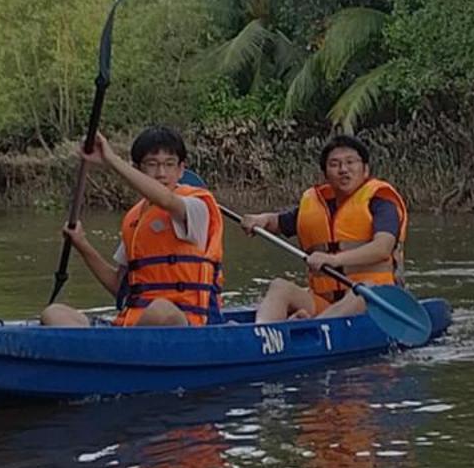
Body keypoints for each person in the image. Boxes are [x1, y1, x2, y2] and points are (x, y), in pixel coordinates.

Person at [40, 126, 224, 328]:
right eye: (152, 164)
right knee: (54, 313)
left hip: (185, 323)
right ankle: (107, 351)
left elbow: (166, 199)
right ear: (138, 169)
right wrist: (82, 244)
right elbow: (120, 286)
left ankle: (119, 350)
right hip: (133, 323)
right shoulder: (135, 218)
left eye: (169, 164)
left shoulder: (196, 206)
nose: (161, 173)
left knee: (160, 311)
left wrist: (111, 160)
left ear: (181, 170)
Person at [241, 134, 408, 323]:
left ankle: (310, 326)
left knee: (365, 290)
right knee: (280, 287)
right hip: (326, 304)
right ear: (326, 174)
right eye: (335, 164)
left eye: (350, 162)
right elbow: (278, 222)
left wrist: (333, 259)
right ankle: (263, 334)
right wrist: (261, 219)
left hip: (375, 302)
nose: (343, 170)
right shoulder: (316, 206)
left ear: (365, 169)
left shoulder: (381, 202)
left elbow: (382, 248)